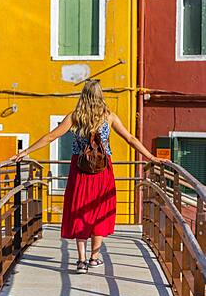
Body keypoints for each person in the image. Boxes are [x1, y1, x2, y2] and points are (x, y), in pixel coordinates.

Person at [11, 79, 167, 274]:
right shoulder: (108, 116)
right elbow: (130, 138)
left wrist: (25, 151)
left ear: (83, 95)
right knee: (100, 211)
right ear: (100, 95)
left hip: (80, 171)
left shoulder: (75, 117)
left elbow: (51, 136)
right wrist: (151, 157)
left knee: (80, 211)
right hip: (102, 171)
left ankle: (81, 261)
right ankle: (94, 258)